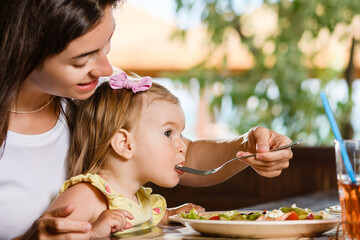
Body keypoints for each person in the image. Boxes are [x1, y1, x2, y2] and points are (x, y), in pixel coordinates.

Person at [0, 0, 292, 239]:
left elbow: (183, 156)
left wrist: (247, 146)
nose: (105, 69)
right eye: (81, 60)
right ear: (24, 51)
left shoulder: (94, 93)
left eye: (107, 47)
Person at [49, 73, 205, 237]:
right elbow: (47, 235)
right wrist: (93, 233)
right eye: (168, 133)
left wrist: (172, 215)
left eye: (180, 135)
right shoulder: (87, 195)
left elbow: (151, 220)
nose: (182, 147)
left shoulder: (139, 200)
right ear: (124, 144)